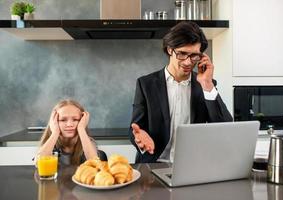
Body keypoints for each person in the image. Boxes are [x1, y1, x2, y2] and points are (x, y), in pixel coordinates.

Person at [129, 21, 233, 163]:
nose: (188, 62)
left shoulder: (205, 84)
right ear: (170, 50)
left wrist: (207, 85)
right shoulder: (145, 84)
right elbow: (135, 128)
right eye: (182, 53)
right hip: (153, 164)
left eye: (194, 56)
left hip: (192, 165)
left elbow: (226, 129)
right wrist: (139, 136)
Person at [35, 99, 107, 165]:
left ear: (82, 121)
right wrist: (55, 133)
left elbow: (95, 164)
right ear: (54, 122)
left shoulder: (88, 143)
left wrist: (81, 129)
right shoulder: (50, 145)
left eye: (75, 119)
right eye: (63, 120)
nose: (69, 124)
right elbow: (38, 163)